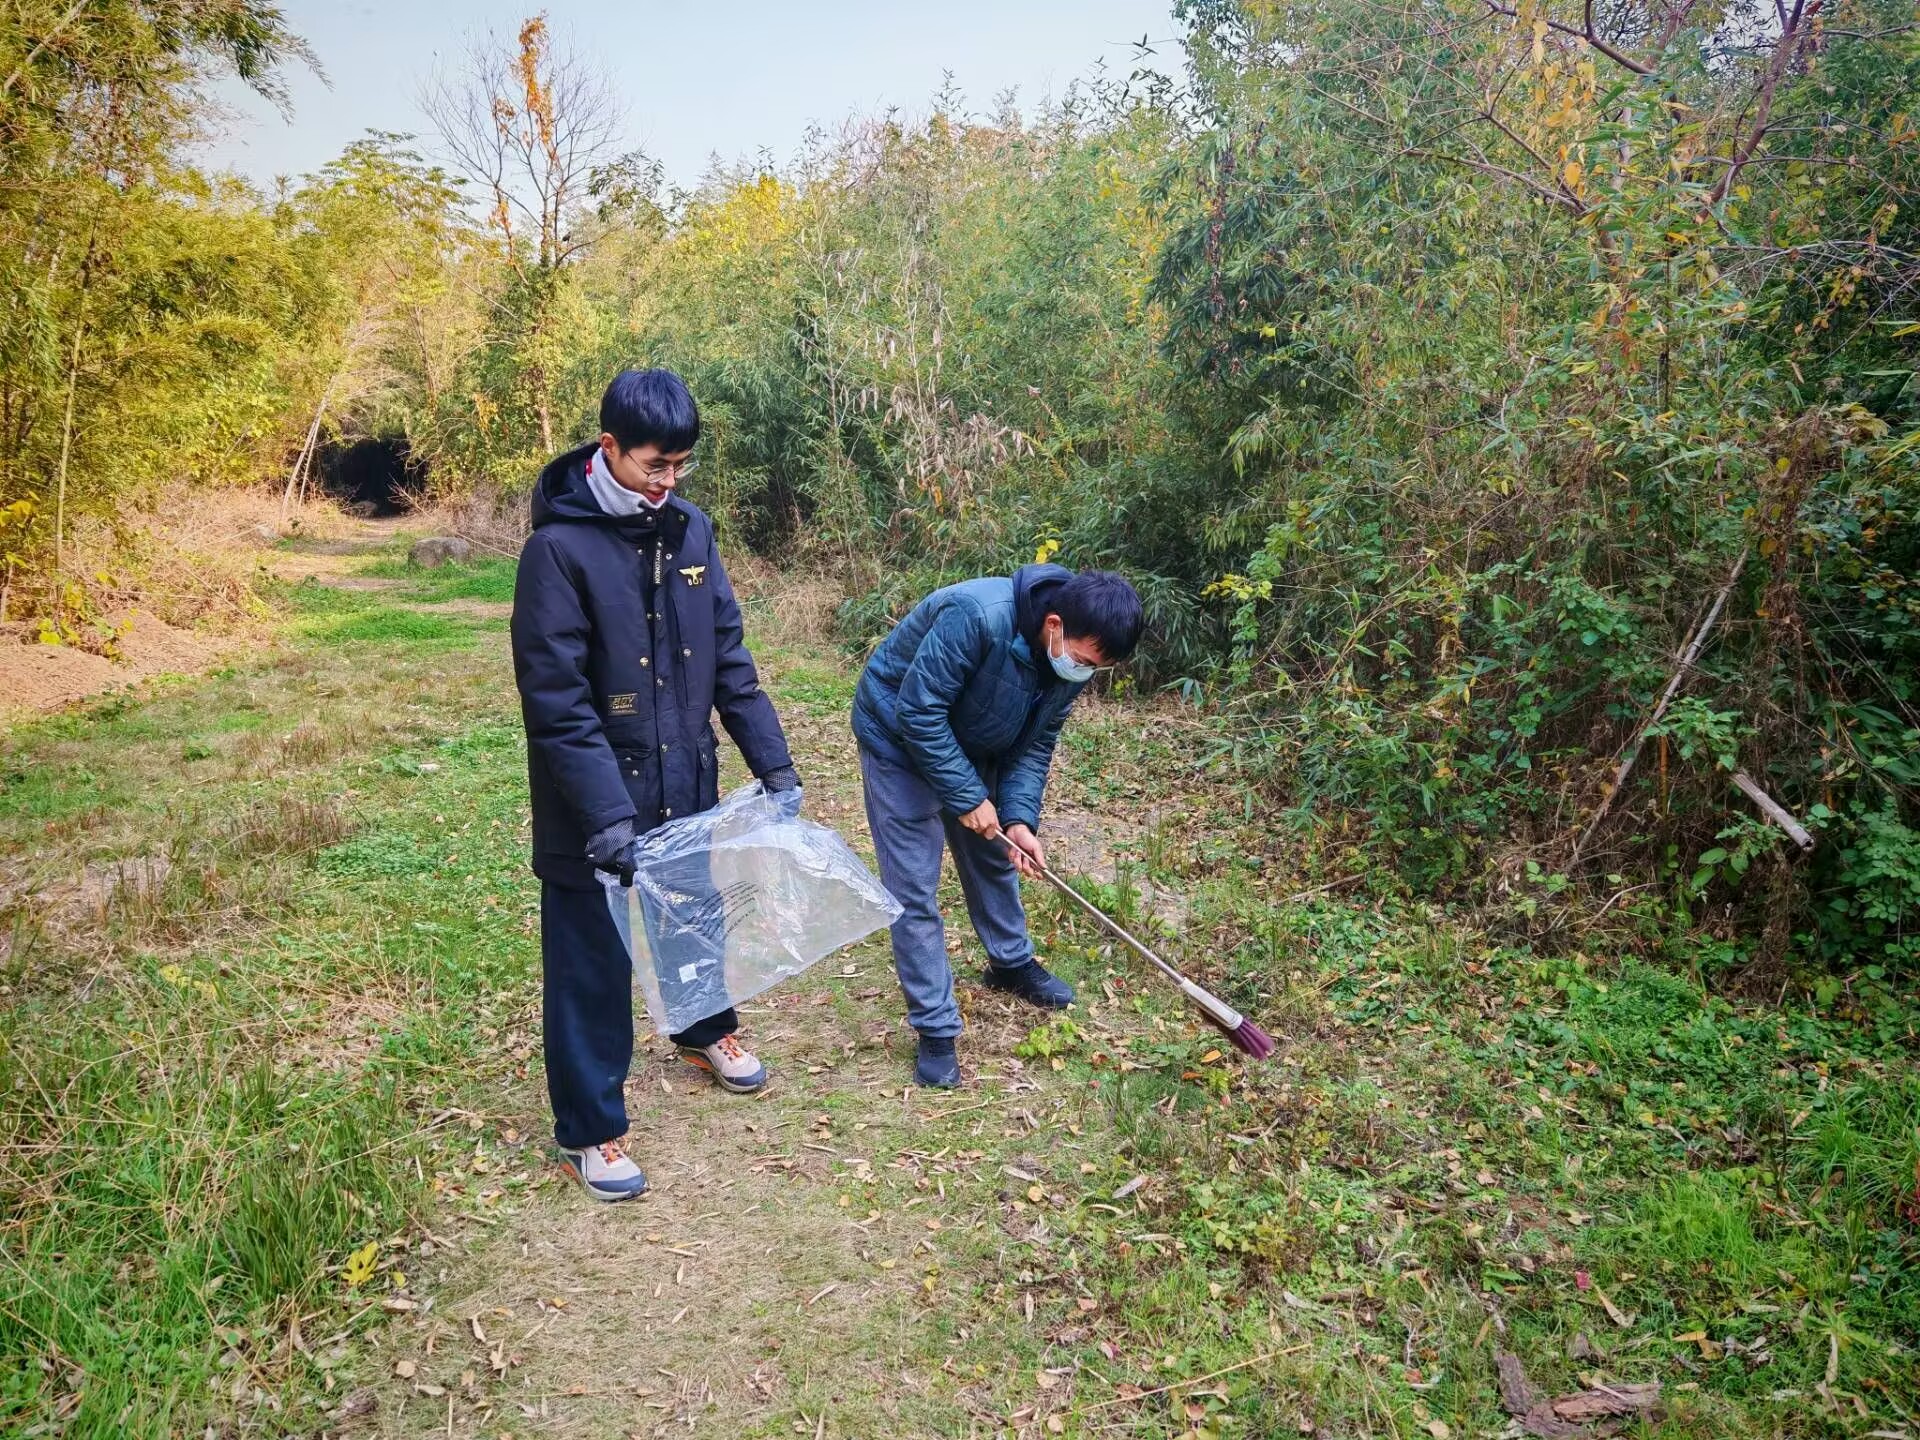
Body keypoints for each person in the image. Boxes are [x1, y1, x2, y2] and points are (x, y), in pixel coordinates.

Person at [512, 368, 800, 1201]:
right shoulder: (556, 551)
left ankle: (706, 1030)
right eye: (653, 466)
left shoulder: (691, 534)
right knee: (590, 966)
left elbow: (730, 662)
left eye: (680, 467)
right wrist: (605, 818)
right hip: (591, 808)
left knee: (694, 919)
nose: (667, 482)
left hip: (686, 781)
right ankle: (591, 1130)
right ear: (608, 449)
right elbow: (557, 704)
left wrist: (773, 765)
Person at [852, 562, 1144, 1087]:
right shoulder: (976, 615)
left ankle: (1009, 964)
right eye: (1081, 661)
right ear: (1053, 624)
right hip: (897, 737)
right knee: (913, 888)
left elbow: (1035, 745)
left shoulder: (1071, 660)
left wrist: (1017, 818)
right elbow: (919, 712)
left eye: (1094, 668)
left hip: (973, 738)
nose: (1082, 672)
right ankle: (936, 1028)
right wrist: (966, 795)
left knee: (996, 855)